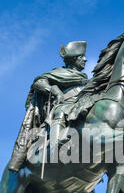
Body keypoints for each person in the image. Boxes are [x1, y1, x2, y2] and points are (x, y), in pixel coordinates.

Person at [7, 41, 88, 172]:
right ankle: (56, 146)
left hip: (79, 107)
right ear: (74, 59)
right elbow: (39, 83)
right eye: (81, 57)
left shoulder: (85, 79)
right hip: (62, 106)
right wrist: (54, 90)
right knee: (60, 111)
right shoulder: (59, 73)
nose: (85, 59)